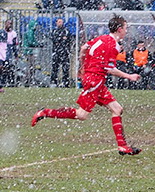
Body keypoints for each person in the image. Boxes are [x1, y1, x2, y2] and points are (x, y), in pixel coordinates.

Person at [31, 16, 142, 155]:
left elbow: (84, 48)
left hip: (94, 79)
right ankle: (45, 112)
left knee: (117, 109)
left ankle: (122, 146)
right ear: (120, 29)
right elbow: (110, 69)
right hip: (95, 80)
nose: (127, 30)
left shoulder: (101, 38)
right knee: (82, 114)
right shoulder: (113, 46)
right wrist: (129, 76)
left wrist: (83, 65)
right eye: (126, 28)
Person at [50, 18, 72, 87]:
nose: (60, 23)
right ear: (56, 23)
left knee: (65, 68)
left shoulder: (66, 31)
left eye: (61, 22)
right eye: (59, 22)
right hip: (56, 52)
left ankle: (65, 82)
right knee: (55, 67)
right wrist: (61, 38)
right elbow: (54, 39)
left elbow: (68, 39)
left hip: (65, 52)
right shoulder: (54, 31)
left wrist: (61, 39)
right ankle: (54, 82)